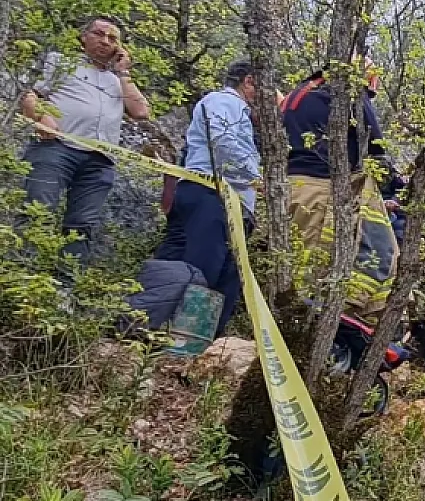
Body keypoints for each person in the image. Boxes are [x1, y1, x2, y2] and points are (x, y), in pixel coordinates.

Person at [19, 16, 151, 272]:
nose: (105, 41)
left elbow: (141, 111)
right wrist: (41, 117)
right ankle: (24, 278)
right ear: (83, 38)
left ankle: (64, 288)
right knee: (38, 212)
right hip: (55, 148)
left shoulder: (119, 80)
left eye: (113, 38)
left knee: (82, 224)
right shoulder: (61, 62)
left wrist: (123, 72)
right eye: (99, 34)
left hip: (99, 160)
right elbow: (28, 93)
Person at [152, 60, 260, 337]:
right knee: (204, 270)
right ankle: (178, 341)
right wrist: (256, 176)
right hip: (211, 193)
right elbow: (222, 141)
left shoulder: (241, 112)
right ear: (249, 81)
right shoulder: (224, 101)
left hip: (222, 197)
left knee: (220, 274)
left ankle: (188, 340)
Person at [282, 68, 398, 320]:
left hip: (290, 187)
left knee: (296, 261)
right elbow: (377, 148)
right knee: (319, 265)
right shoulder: (348, 92)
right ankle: (330, 320)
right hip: (322, 190)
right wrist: (395, 184)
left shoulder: (296, 95)